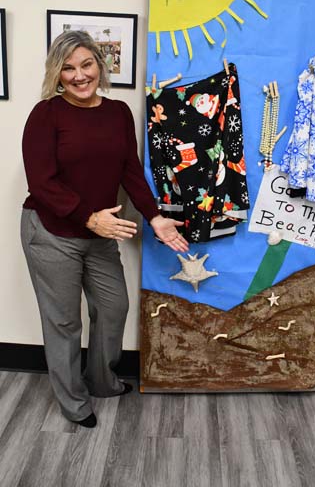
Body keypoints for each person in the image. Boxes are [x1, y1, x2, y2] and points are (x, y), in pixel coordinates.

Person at [21, 31, 189, 429]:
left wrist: (155, 217)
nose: (79, 76)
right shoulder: (45, 114)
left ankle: (101, 380)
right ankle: (73, 401)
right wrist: (89, 217)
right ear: (57, 74)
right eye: (68, 68)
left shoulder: (117, 113)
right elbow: (41, 183)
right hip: (51, 233)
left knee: (113, 308)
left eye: (86, 64)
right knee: (64, 322)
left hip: (100, 234)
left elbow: (130, 170)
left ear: (101, 64)